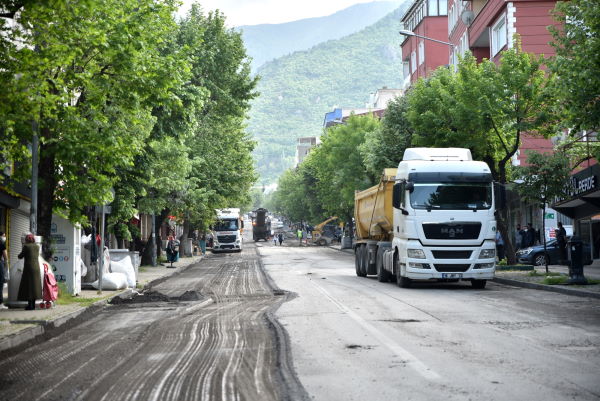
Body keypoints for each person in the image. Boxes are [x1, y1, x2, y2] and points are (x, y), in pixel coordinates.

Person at [17, 233, 42, 310]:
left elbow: (20, 256)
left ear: (27, 240)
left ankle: (30, 305)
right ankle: (33, 305)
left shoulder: (26, 246)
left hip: (29, 268)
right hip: (37, 268)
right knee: (35, 286)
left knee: (28, 286)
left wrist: (20, 252)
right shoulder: (37, 246)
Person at [0, 231, 8, 309]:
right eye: (3, 236)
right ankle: (0, 303)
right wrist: (6, 264)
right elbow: (5, 256)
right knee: (0, 283)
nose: (4, 237)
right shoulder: (1, 244)